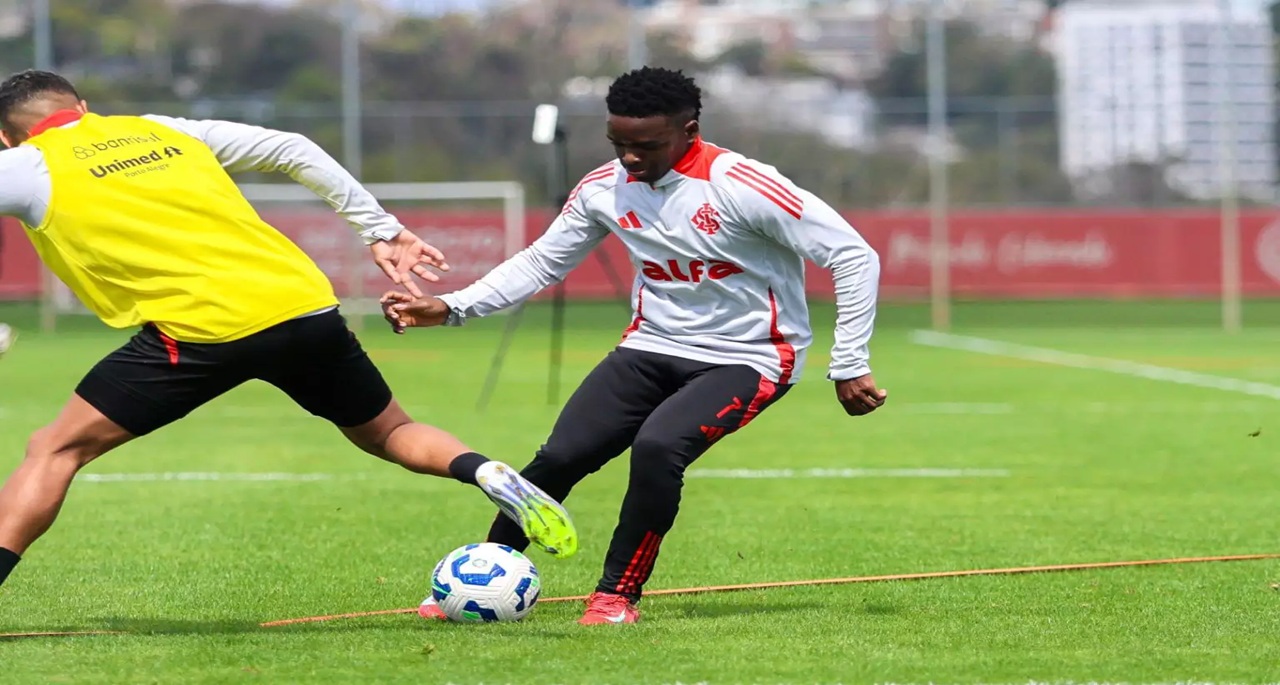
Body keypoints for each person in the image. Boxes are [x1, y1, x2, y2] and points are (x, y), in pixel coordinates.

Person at [0, 69, 578, 593]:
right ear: (83, 105)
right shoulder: (158, 129)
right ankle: (484, 469)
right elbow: (291, 147)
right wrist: (380, 228)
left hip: (201, 331)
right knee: (389, 430)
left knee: (54, 449)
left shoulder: (24, 165)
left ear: (6, 136)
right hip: (304, 307)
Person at [382, 66, 886, 625]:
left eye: (646, 145)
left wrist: (849, 362)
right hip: (650, 346)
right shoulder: (602, 188)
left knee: (656, 448)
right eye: (618, 143)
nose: (630, 158)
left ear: (689, 131)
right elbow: (541, 261)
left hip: (750, 357)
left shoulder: (743, 185)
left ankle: (615, 596)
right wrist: (452, 307)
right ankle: (479, 577)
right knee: (561, 457)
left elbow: (854, 255)